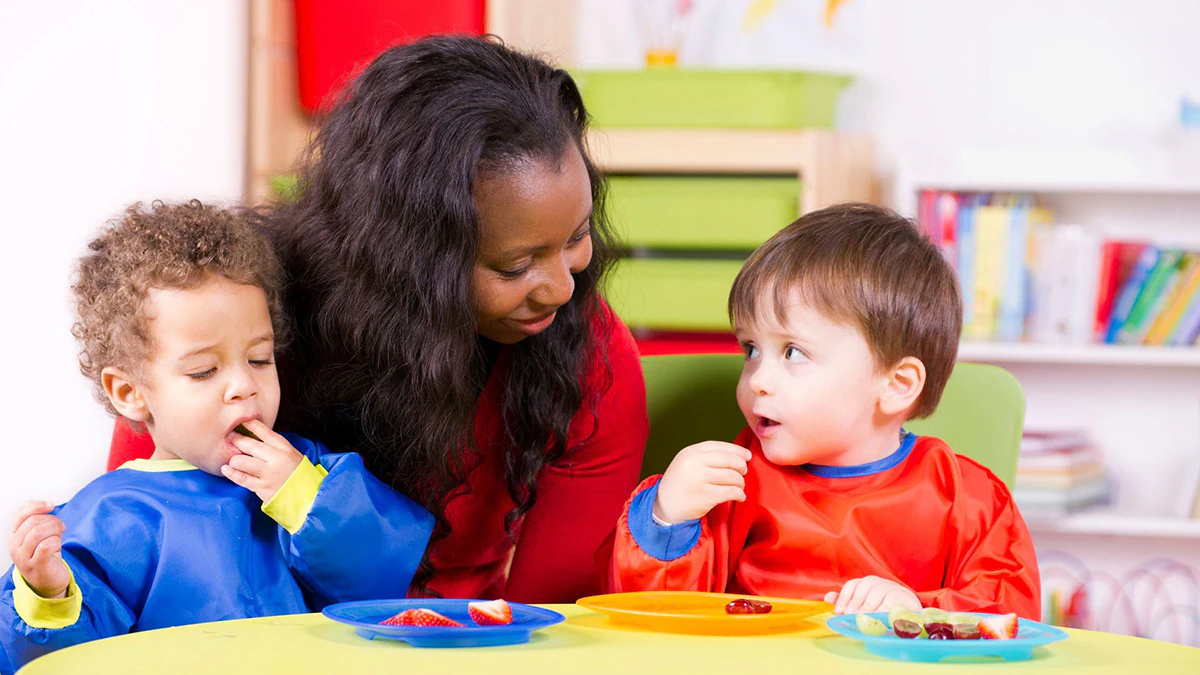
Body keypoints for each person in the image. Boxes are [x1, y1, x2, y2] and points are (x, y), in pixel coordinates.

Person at [108, 36, 649, 602]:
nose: (563, 287)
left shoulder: (590, 355)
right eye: (514, 266)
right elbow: (134, 555)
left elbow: (553, 613)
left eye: (577, 236)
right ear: (405, 259)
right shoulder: (230, 323)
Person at [1, 202, 434, 671]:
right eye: (204, 370)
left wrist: (307, 498)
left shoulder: (304, 472)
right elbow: (67, 660)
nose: (244, 385)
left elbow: (376, 580)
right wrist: (48, 593)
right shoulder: (111, 514)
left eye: (260, 359)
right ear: (129, 393)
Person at [605, 203, 1041, 620]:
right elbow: (657, 616)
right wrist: (666, 518)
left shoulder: (966, 498)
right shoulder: (734, 478)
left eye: (793, 352)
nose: (758, 378)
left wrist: (917, 611)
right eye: (752, 349)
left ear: (895, 385)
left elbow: (1007, 616)